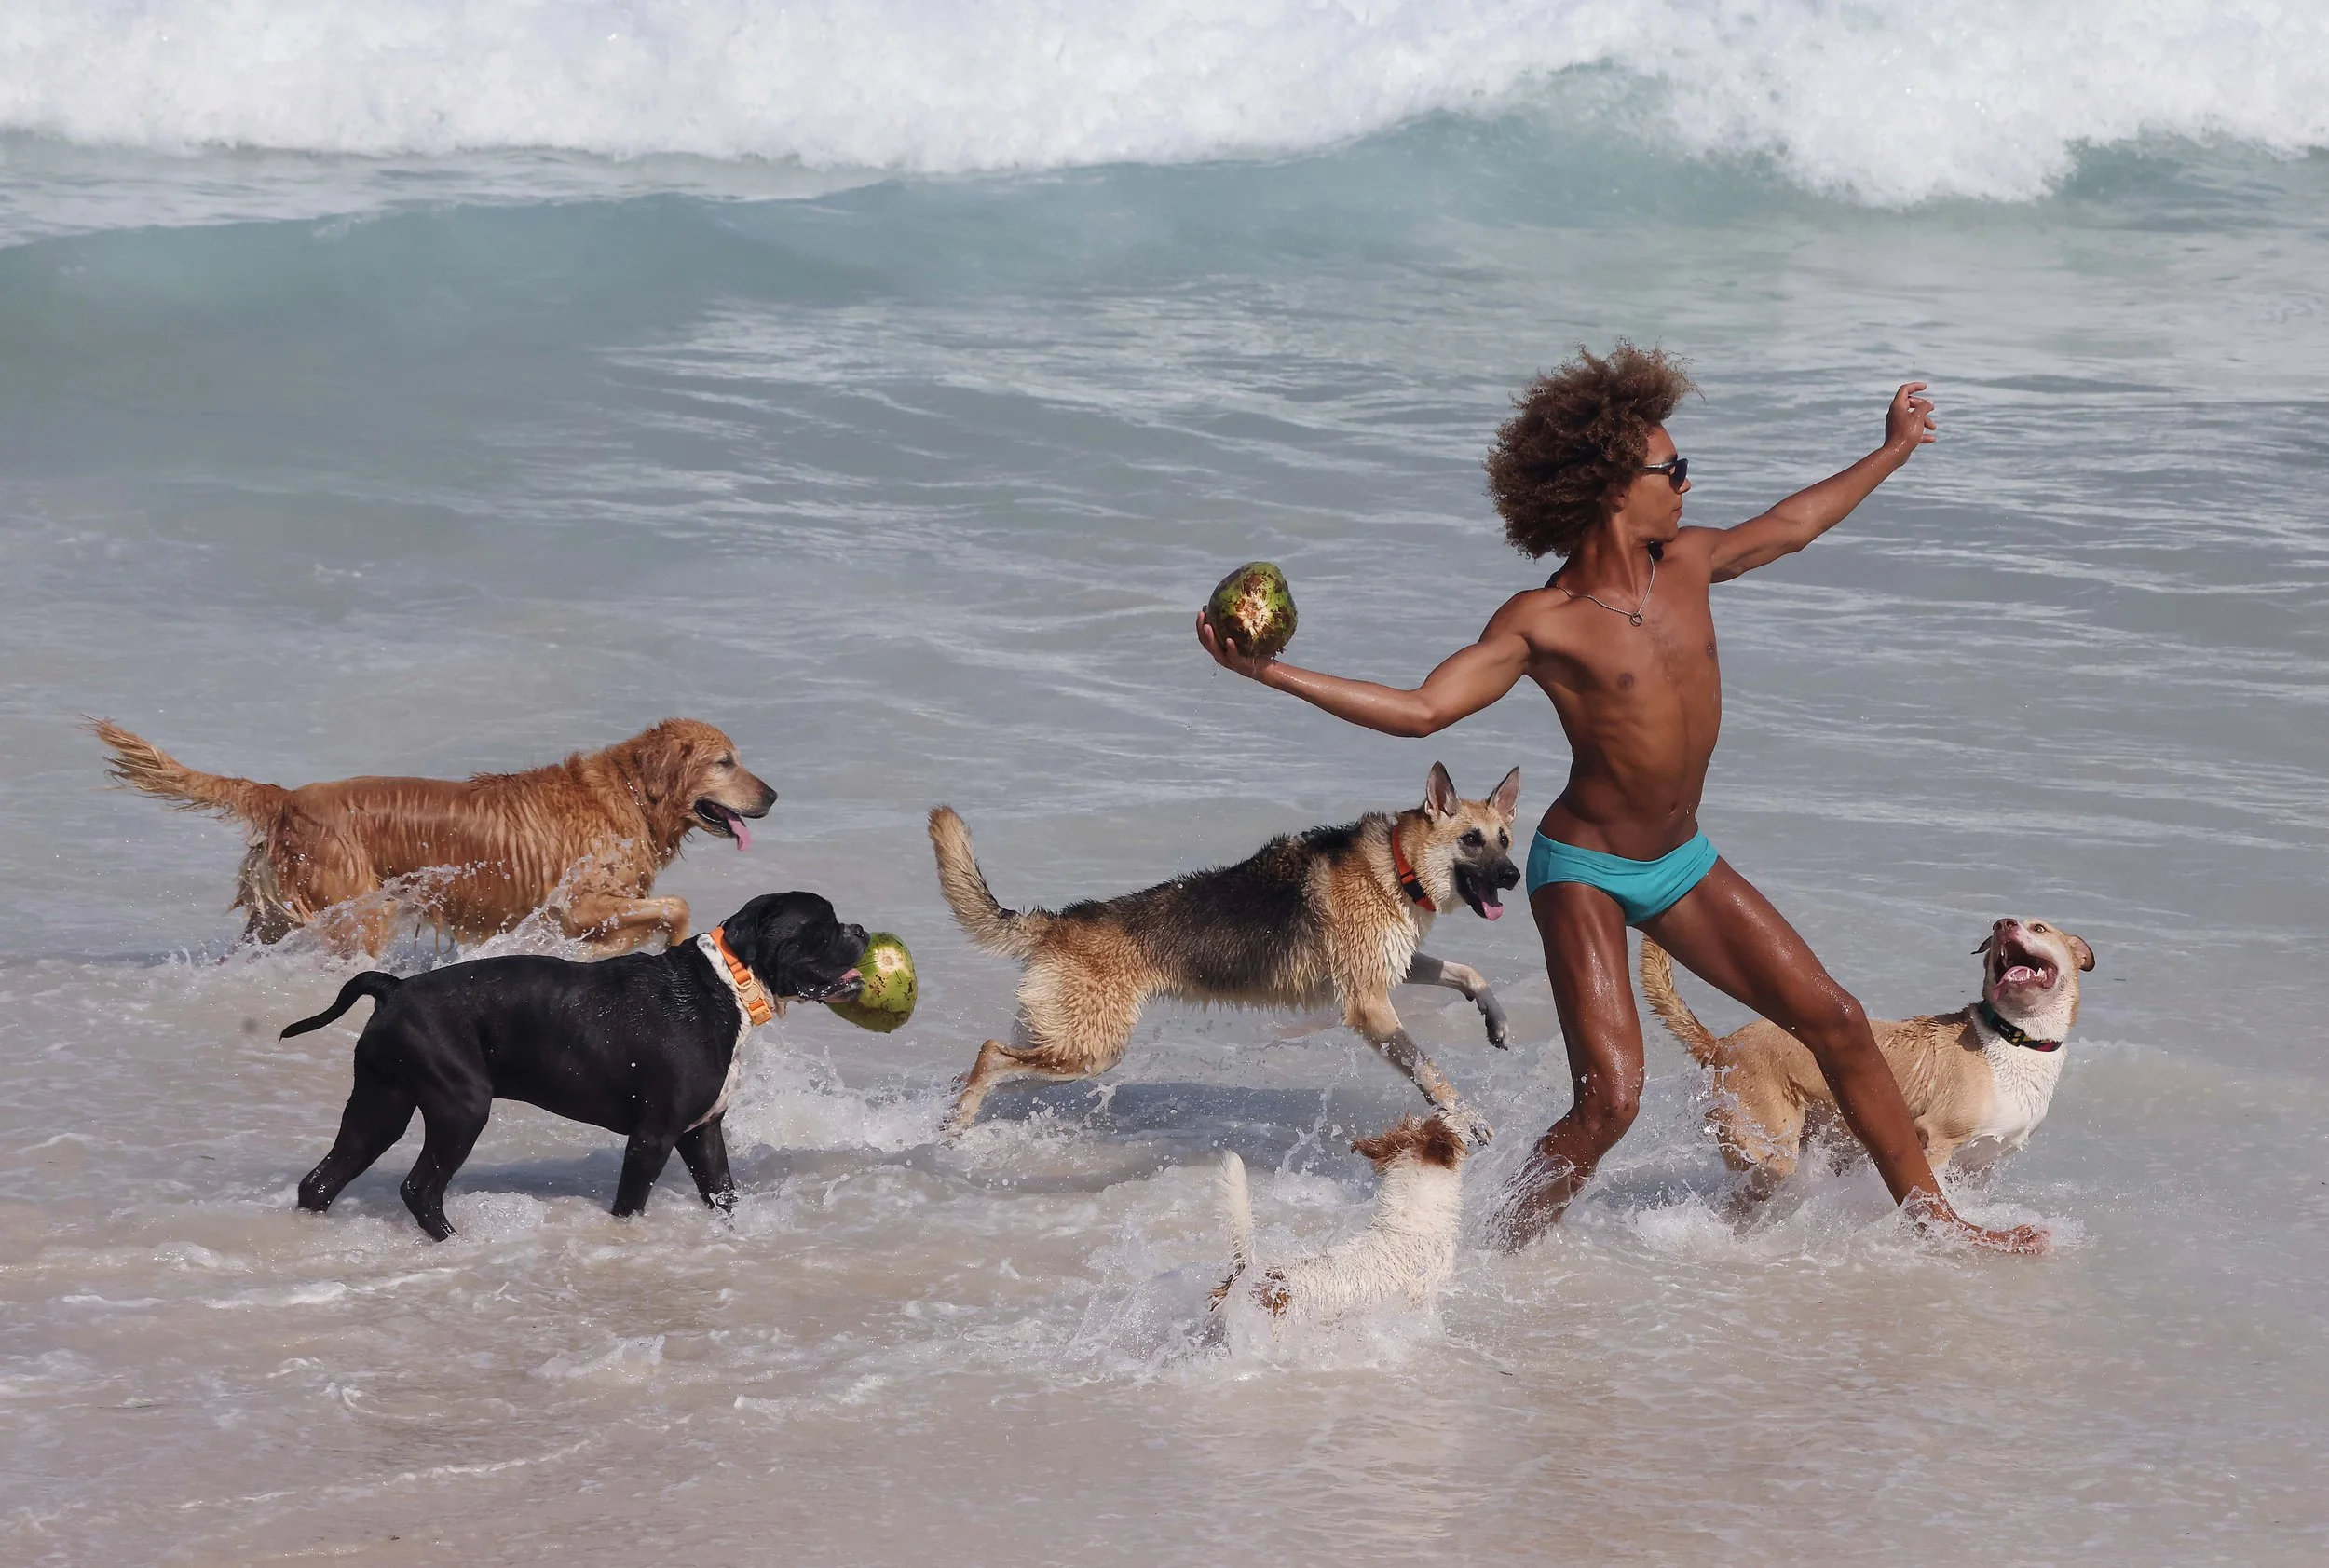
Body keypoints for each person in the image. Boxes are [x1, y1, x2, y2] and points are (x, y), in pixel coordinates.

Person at [1197, 344, 2047, 1254]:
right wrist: (1271, 674)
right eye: (1669, 469)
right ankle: (1489, 1251)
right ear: (1611, 487)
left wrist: (1891, 451)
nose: (1687, 481)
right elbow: (1422, 711)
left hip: (1678, 860)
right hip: (1587, 870)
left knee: (1836, 1020)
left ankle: (1937, 1222)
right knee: (1611, 1101)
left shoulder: (1686, 561)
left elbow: (1794, 523)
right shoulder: (1543, 620)